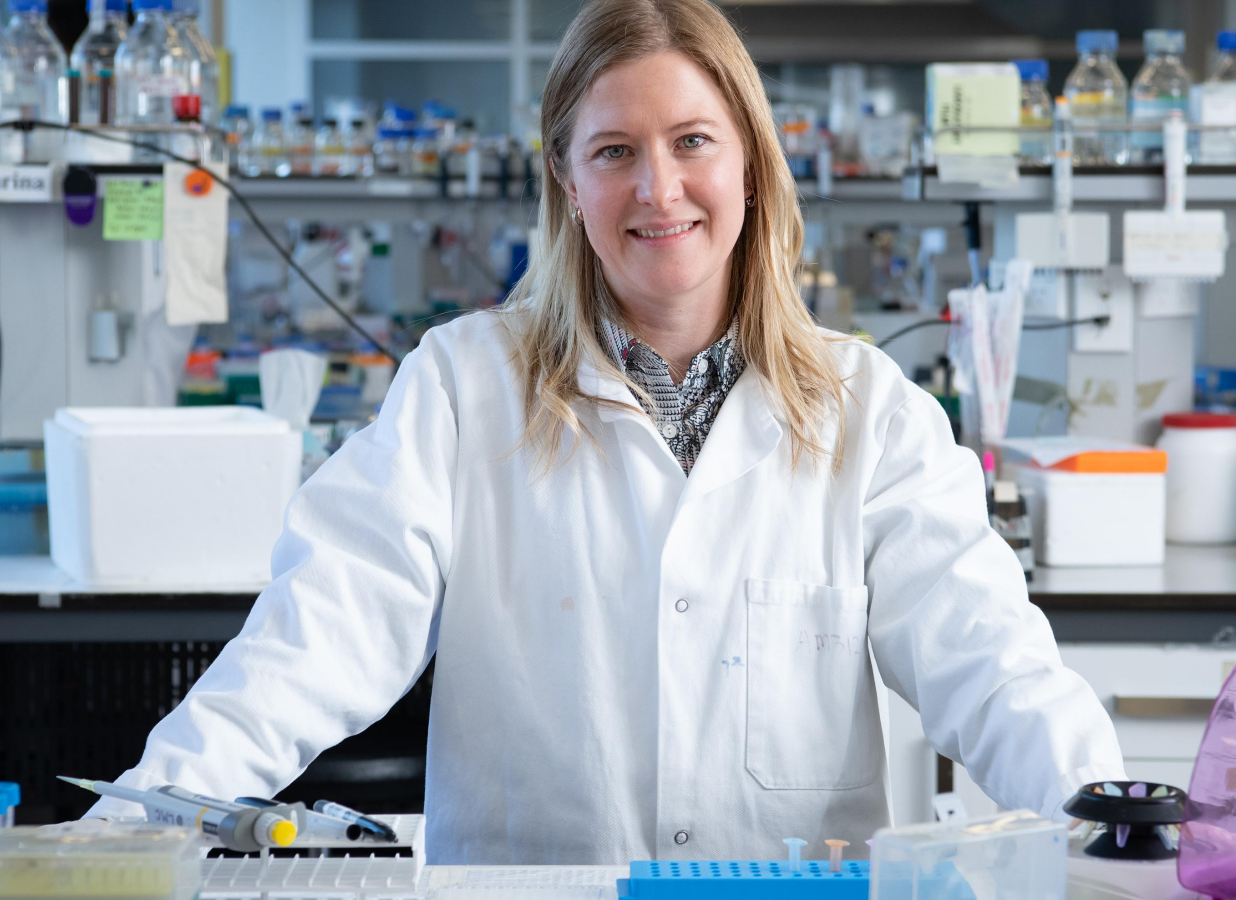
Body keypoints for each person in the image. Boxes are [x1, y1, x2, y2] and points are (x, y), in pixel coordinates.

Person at [88, 0, 1124, 863]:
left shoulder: (871, 411)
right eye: (615, 151)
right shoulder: (463, 388)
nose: (657, 188)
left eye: (691, 143)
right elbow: (314, 639)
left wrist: (1117, 823)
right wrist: (131, 834)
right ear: (568, 184)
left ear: (752, 165)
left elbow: (992, 665)